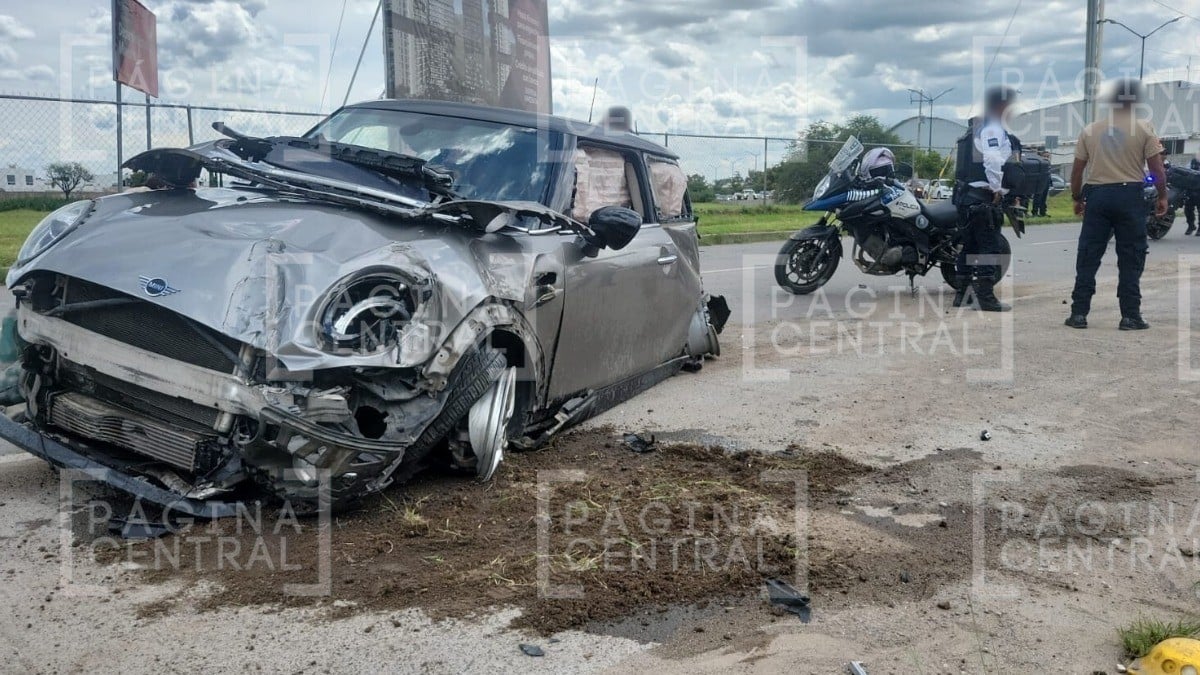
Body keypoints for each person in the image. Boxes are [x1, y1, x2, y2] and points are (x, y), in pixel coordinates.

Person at [1065, 78, 1167, 331]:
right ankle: (1130, 316)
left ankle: (1078, 314)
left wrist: (1077, 198)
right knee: (1131, 256)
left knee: (1088, 255)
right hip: (1130, 197)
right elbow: (1157, 169)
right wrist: (1162, 196)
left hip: (1097, 197)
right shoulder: (1144, 128)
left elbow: (1076, 172)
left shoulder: (1090, 130)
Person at [952, 85, 1020, 312]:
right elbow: (992, 160)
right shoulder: (992, 128)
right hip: (982, 198)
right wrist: (997, 188)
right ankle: (985, 298)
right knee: (988, 249)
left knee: (969, 247)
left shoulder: (973, 131)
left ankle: (962, 295)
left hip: (966, 198)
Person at [1031, 150, 1052, 217]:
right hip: (1040, 181)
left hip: (1047, 181)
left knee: (1044, 198)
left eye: (1048, 156)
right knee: (1038, 197)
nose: (1046, 158)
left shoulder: (1048, 164)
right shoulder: (1039, 164)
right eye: (1044, 156)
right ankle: (1035, 212)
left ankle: (1043, 212)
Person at [1186, 151, 1200, 236]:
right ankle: (1191, 226)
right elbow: (1186, 170)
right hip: (1191, 188)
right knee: (1188, 209)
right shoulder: (1192, 162)